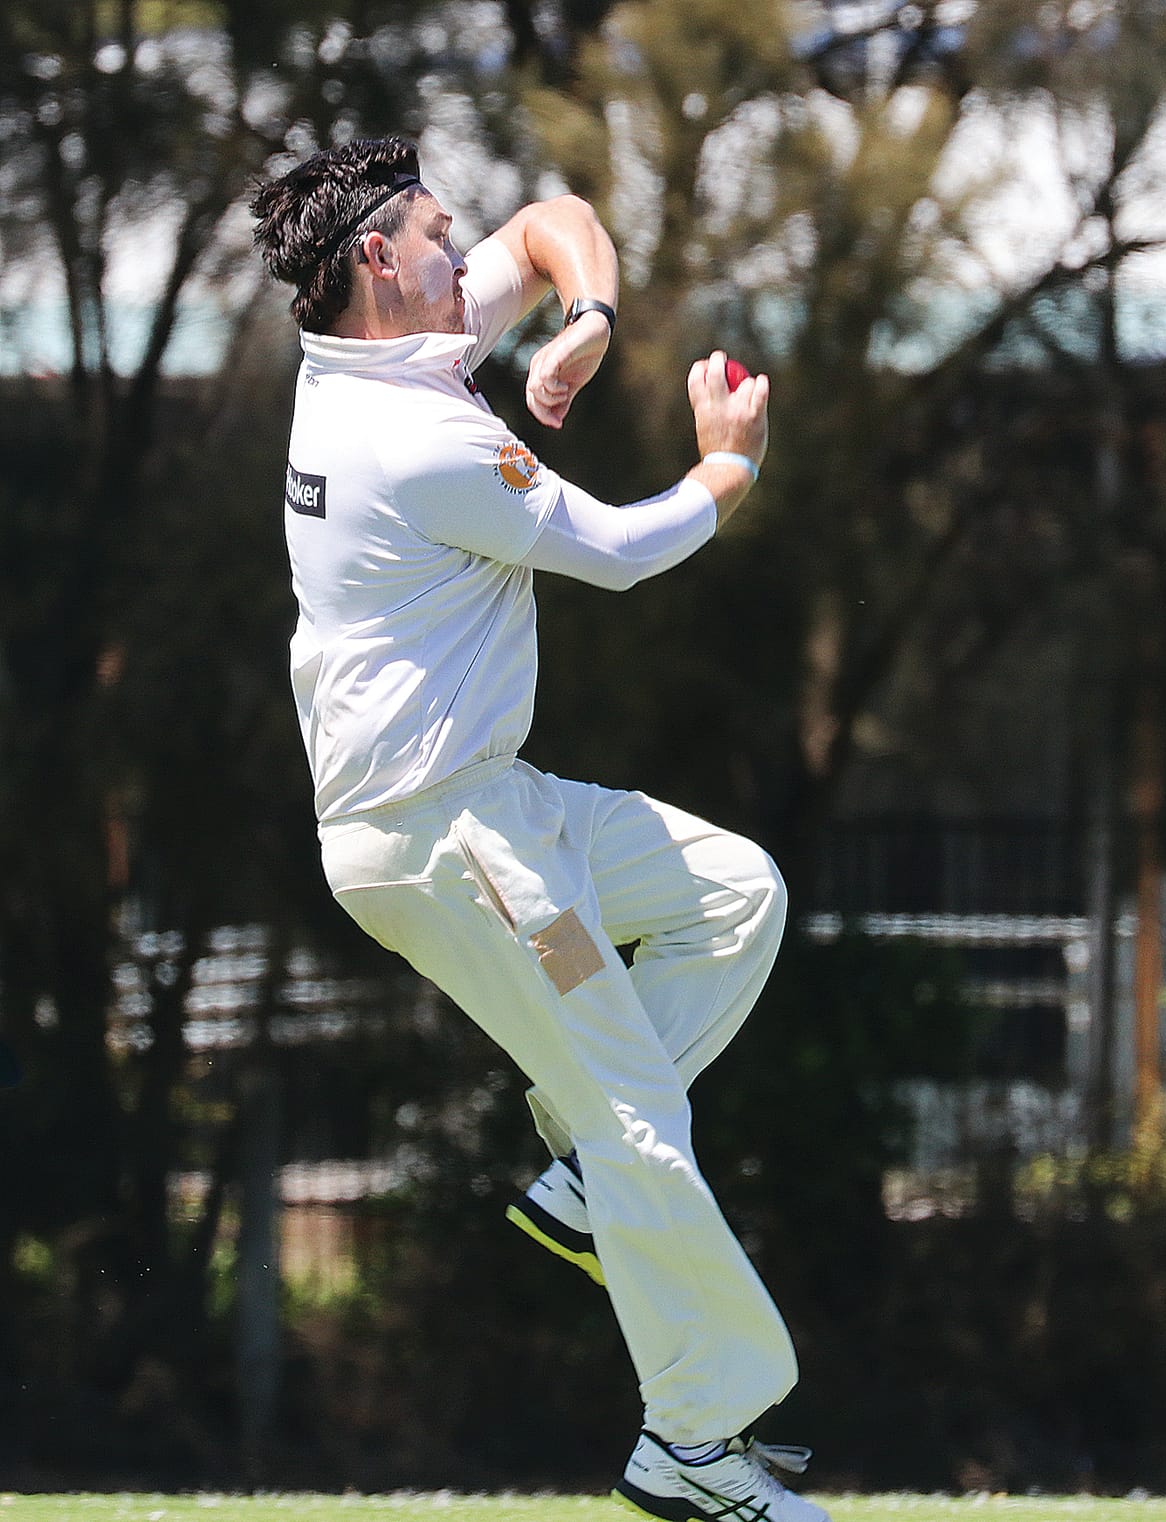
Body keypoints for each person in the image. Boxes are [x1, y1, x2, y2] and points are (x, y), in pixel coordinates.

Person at [249, 137, 826, 1522]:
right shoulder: (418, 434)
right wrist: (729, 466)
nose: (469, 253)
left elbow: (560, 216)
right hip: (446, 837)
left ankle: (582, 1179)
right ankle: (692, 1445)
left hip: (485, 800)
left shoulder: (385, 345)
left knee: (735, 895)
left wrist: (589, 325)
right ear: (379, 256)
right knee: (642, 1109)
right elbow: (624, 553)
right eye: (442, 234)